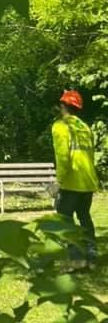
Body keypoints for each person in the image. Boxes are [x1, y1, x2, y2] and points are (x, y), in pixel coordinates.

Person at [52, 89, 100, 266]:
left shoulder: (60, 126)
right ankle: (92, 254)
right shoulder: (85, 127)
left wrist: (58, 181)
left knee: (65, 219)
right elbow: (90, 155)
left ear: (63, 106)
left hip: (71, 183)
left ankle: (76, 258)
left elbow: (63, 157)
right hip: (88, 181)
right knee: (84, 217)